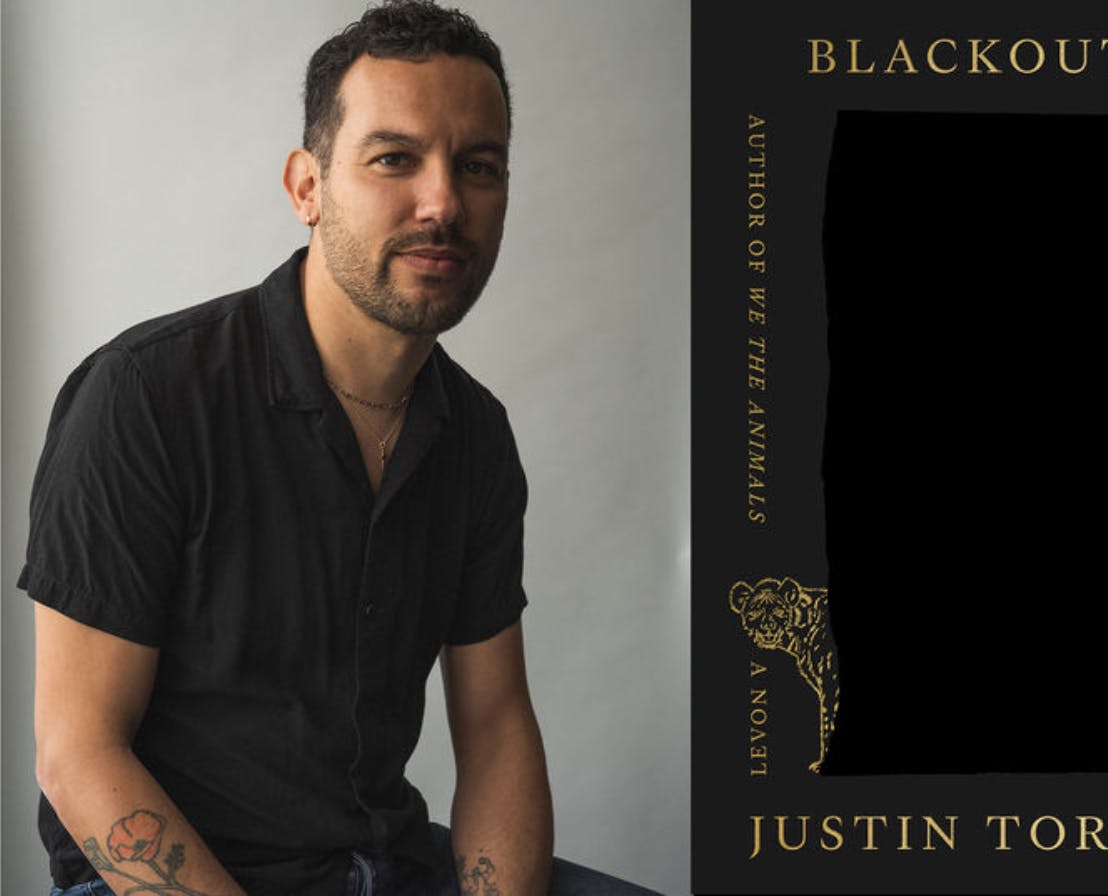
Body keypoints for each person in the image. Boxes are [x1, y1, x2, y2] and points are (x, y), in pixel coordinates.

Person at [21, 3, 654, 894]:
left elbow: (498, 727)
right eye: (395, 158)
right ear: (306, 186)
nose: (443, 202)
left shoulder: (475, 436)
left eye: (479, 166)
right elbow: (77, 752)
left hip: (387, 864)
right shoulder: (145, 396)